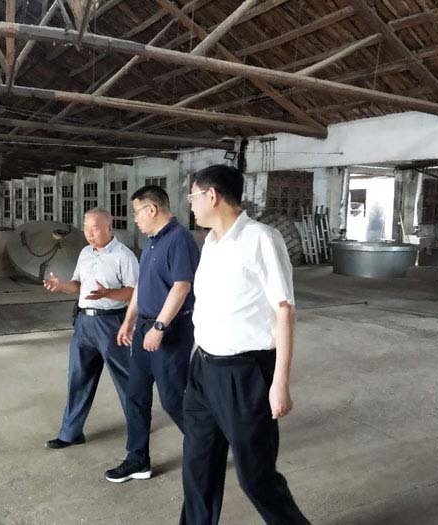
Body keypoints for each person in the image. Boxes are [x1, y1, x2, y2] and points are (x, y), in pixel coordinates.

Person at [180, 165, 310, 525]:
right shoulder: (209, 243)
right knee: (198, 469)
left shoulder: (261, 239)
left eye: (193, 196)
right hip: (203, 370)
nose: (190, 204)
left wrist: (279, 383)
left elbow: (285, 310)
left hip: (245, 374)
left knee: (256, 477)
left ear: (212, 196)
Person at [104, 185, 199, 483]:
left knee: (173, 399)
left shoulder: (180, 239)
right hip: (144, 329)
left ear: (152, 209)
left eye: (136, 213)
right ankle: (137, 460)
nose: (135, 219)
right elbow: (142, 286)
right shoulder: (151, 242)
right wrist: (129, 321)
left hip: (170, 331)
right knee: (136, 396)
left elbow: (181, 287)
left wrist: (159, 327)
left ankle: (208, 449)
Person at [43, 208, 139, 449]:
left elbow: (134, 292)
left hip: (111, 323)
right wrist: (61, 286)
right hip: (84, 323)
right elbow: (77, 285)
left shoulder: (124, 256)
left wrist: (108, 293)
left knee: (126, 379)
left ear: (109, 228)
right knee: (78, 378)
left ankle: (139, 428)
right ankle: (70, 433)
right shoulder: (85, 252)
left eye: (94, 229)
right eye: (86, 229)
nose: (89, 234)